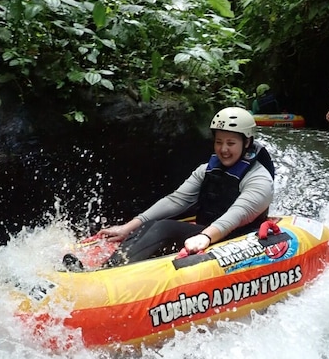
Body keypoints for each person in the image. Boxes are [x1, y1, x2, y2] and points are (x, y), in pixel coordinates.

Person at [97, 107, 275, 266]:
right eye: (219, 142)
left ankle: (105, 273)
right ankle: (112, 265)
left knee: (165, 228)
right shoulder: (206, 170)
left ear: (247, 143)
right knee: (152, 224)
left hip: (239, 239)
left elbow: (237, 214)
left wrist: (205, 236)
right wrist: (127, 228)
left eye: (231, 143)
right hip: (208, 232)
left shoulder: (259, 179)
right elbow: (176, 201)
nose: (223, 149)